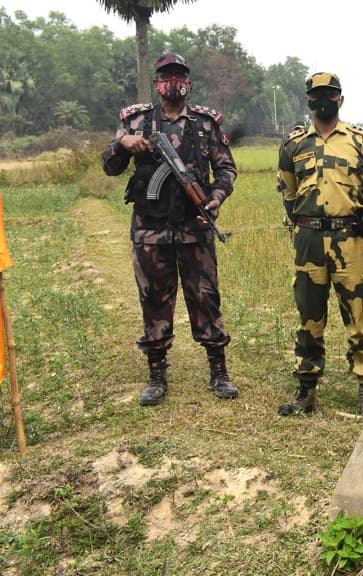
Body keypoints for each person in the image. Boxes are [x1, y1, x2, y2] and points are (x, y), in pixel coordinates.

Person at [101, 52, 238, 407]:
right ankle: (157, 374)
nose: (173, 82)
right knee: (154, 300)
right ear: (157, 82)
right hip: (151, 231)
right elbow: (110, 166)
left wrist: (217, 197)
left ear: (188, 83)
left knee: (205, 298)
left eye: (179, 75)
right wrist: (123, 144)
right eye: (167, 75)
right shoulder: (136, 121)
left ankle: (218, 371)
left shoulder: (205, 124)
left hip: (194, 229)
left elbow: (227, 170)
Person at [276, 71, 363, 417]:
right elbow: (289, 194)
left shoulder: (362, 142)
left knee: (358, 315)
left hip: (349, 239)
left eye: (330, 94)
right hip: (308, 240)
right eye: (316, 95)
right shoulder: (293, 145)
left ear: (340, 98)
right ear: (308, 100)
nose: (323, 100)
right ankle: (306, 390)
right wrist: (302, 226)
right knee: (309, 317)